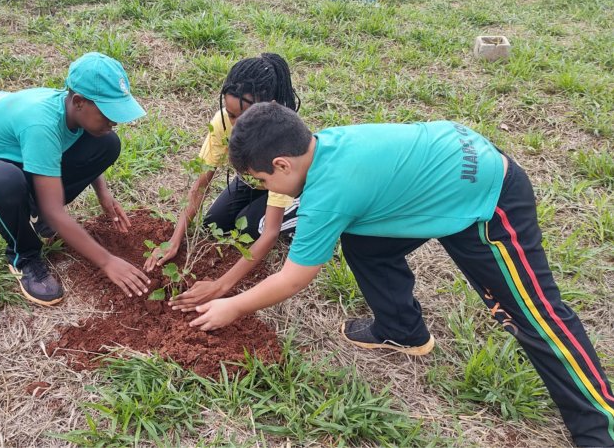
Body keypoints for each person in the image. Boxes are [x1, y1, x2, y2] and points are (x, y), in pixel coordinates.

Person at [183, 102, 614, 447]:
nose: (264, 188)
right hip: (445, 166)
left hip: (487, 195)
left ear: (281, 163)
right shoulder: (326, 146)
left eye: (262, 179)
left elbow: (295, 277)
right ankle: (402, 329)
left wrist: (232, 306)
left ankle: (602, 426)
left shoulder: (329, 193)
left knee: (536, 316)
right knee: (365, 239)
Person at [0, 52, 151, 306]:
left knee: (107, 143)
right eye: (107, 112)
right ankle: (24, 256)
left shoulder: (71, 111)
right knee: (7, 183)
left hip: (24, 160)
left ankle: (37, 217)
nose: (114, 120)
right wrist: (107, 261)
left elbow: (77, 147)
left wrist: (104, 194)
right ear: (78, 101)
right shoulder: (42, 125)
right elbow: (54, 210)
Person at [144, 53, 301, 305]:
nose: (236, 124)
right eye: (231, 114)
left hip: (288, 187)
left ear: (268, 107)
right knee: (214, 223)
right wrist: (174, 241)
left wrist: (220, 286)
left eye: (245, 116)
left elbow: (270, 233)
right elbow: (201, 184)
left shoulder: (282, 143)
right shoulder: (222, 124)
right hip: (254, 181)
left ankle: (299, 216)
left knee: (251, 228)